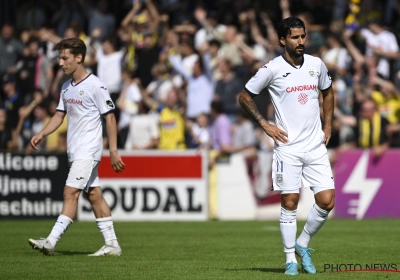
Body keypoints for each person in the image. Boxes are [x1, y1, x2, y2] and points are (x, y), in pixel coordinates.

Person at [238, 17, 335, 276]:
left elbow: (327, 91)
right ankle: (290, 258)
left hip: (315, 145)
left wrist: (327, 126)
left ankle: (303, 244)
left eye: (303, 36)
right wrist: (264, 124)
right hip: (287, 147)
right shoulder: (271, 69)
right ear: (282, 40)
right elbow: (245, 97)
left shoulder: (316, 64)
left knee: (327, 201)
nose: (301, 41)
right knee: (290, 202)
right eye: (295, 37)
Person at [28, 38, 126, 256]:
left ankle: (51, 241)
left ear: (79, 58)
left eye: (65, 58)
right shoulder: (66, 87)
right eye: (60, 58)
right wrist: (42, 133)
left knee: (70, 193)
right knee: (94, 195)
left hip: (89, 150)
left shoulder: (96, 85)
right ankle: (112, 245)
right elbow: (58, 116)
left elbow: (110, 119)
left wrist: (113, 150)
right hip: (76, 150)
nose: (61, 63)